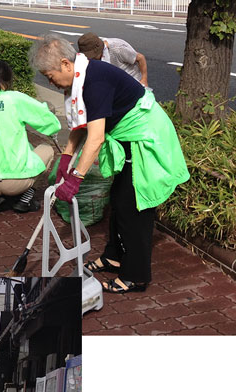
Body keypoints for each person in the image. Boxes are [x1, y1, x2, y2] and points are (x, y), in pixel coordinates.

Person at [31, 35, 189, 294]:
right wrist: (67, 156)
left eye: (50, 76)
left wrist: (75, 178)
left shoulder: (94, 81)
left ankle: (136, 277)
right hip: (130, 136)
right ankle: (114, 256)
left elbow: (95, 138)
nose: (51, 82)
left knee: (134, 206)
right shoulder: (83, 76)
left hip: (145, 137)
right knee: (117, 199)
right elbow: (83, 126)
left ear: (65, 64)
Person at [0, 60, 60, 215]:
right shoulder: (15, 99)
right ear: (7, 79)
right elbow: (51, 124)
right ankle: (24, 200)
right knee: (46, 149)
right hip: (16, 182)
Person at [77, 32, 148, 87]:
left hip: (132, 80)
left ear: (99, 50)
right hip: (115, 81)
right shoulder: (97, 54)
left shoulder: (118, 49)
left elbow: (141, 58)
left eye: (92, 56)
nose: (91, 58)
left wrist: (144, 79)